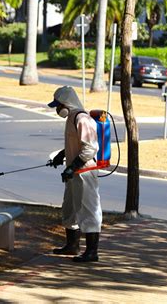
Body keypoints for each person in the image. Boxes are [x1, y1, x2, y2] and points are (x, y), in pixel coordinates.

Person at [47, 86, 102, 262]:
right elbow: (75, 143)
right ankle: (72, 245)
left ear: (66, 103)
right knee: (69, 208)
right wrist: (61, 156)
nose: (57, 109)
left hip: (85, 172)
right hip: (73, 172)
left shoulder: (82, 119)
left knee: (88, 210)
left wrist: (73, 167)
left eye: (58, 105)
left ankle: (92, 252)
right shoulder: (71, 118)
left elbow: (91, 148)